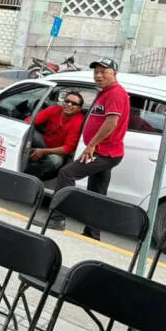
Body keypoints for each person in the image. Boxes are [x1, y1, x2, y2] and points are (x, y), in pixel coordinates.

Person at [53, 58, 129, 240]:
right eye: (96, 72)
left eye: (104, 72)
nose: (99, 75)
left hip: (104, 152)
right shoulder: (105, 92)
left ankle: (57, 218)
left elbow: (111, 123)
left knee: (66, 174)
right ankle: (92, 233)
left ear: (114, 74)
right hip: (105, 151)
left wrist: (92, 144)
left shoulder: (116, 93)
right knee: (96, 193)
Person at [24, 91, 85, 184]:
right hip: (44, 142)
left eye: (74, 103)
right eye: (67, 101)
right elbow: (30, 121)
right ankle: (24, 158)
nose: (69, 104)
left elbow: (67, 149)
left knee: (55, 161)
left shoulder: (78, 121)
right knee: (27, 130)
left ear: (79, 109)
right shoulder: (55, 109)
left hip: (58, 152)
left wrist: (42, 151)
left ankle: (26, 175)